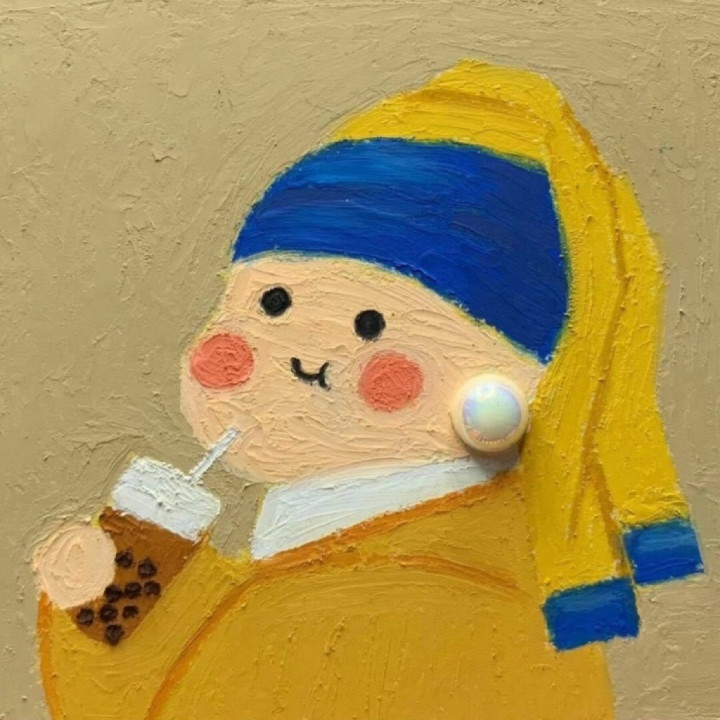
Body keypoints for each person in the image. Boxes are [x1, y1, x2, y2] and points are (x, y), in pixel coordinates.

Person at [34, 60, 702, 720]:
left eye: (370, 325)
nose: (304, 357)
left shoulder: (439, 604)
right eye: (271, 303)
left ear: (502, 393)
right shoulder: (318, 562)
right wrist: (102, 605)